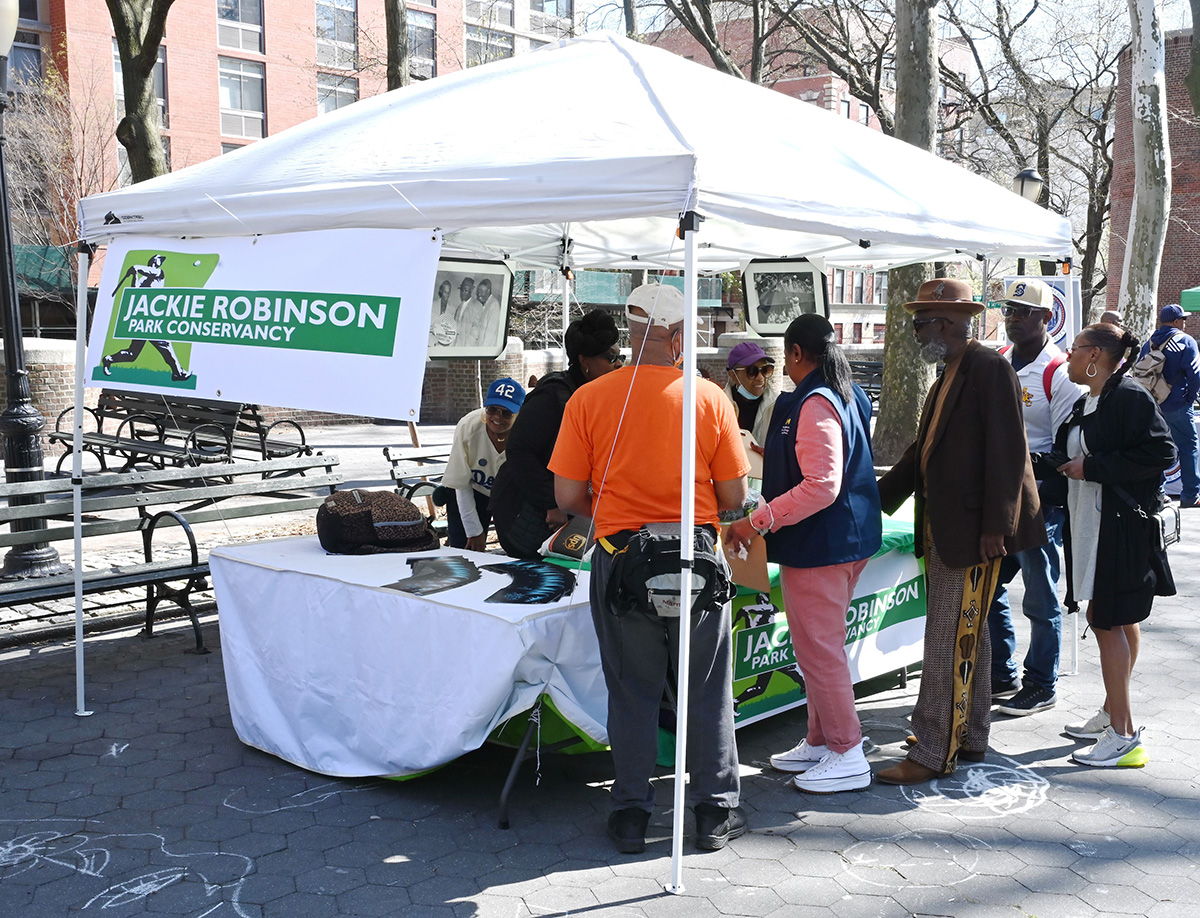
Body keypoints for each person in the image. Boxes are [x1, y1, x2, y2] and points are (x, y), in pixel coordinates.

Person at [550, 283, 749, 853]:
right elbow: (734, 493)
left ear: (630, 331)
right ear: (680, 336)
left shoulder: (587, 399)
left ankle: (631, 813)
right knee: (708, 690)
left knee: (632, 690)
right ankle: (713, 813)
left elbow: (568, 496)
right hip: (698, 562)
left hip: (621, 561)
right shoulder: (710, 397)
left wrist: (614, 511)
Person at [875, 278, 1045, 785]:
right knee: (969, 630)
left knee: (947, 636)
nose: (913, 333)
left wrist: (998, 526)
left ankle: (932, 752)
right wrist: (874, 498)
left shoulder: (989, 368)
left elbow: (1009, 452)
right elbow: (921, 453)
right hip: (952, 525)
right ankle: (970, 735)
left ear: (945, 323)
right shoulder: (950, 370)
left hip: (974, 530)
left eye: (918, 323)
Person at [725, 314, 882, 794]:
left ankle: (845, 749)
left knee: (819, 649)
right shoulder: (843, 392)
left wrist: (756, 520)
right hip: (837, 541)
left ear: (795, 353)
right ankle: (821, 739)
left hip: (822, 545)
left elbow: (821, 485)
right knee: (817, 647)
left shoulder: (816, 401)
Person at [1035, 323, 1176, 767]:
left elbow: (1163, 453)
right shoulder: (1090, 400)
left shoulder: (1129, 396)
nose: (1068, 357)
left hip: (1119, 529)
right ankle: (1113, 711)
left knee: (1105, 619)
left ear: (1094, 355)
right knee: (1119, 620)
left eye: (1074, 350)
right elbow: (1066, 456)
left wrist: (1094, 467)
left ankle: (1123, 735)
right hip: (1091, 524)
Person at [989, 279, 1086, 717]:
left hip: (1040, 503)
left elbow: (1071, 447)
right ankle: (1000, 673)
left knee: (1041, 598)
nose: (1013, 318)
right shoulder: (1000, 362)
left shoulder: (1060, 373)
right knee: (987, 588)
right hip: (1000, 501)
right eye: (1009, 310)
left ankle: (1041, 683)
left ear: (1048, 318)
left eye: (1023, 312)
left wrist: (1043, 489)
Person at [491, 310, 623, 559]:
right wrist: (551, 502)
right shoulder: (552, 396)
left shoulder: (598, 396)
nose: (618, 364)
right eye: (610, 357)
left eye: (620, 356)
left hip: (572, 509)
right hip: (528, 510)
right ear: (585, 360)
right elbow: (519, 451)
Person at [441, 377, 526, 551]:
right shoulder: (468, 426)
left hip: (510, 495)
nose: (497, 417)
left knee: (518, 548)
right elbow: (461, 484)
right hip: (472, 490)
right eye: (492, 409)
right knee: (463, 549)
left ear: (519, 414)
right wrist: (474, 531)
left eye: (506, 413)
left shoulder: (528, 430)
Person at [1138, 304, 1200, 508]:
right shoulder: (1186, 341)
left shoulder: (1150, 343)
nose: (1185, 323)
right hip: (1177, 405)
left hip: (1153, 405)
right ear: (1175, 322)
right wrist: (1190, 398)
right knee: (1188, 447)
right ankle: (1190, 495)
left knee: (1158, 447)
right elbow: (1195, 374)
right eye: (1183, 319)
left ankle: (1159, 492)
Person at [101, 253, 192, 381]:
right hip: (146, 319)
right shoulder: (143, 279)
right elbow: (134, 291)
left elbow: (147, 270)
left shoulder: (159, 273)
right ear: (153, 261)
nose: (159, 262)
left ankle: (109, 359)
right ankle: (178, 373)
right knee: (160, 345)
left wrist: (135, 268)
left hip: (150, 316)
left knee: (133, 354)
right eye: (158, 260)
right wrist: (134, 275)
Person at [722, 341, 780, 455]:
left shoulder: (778, 406)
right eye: (752, 371)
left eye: (765, 370)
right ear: (733, 375)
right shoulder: (718, 406)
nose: (760, 378)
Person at [429, 279, 457, 347]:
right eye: (445, 292)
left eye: (448, 293)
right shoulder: (432, 305)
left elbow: (452, 329)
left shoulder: (453, 309)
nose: (447, 295)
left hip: (445, 344)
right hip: (431, 341)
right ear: (441, 291)